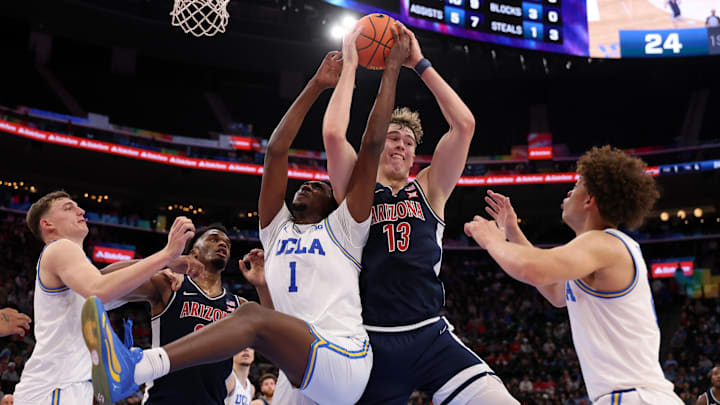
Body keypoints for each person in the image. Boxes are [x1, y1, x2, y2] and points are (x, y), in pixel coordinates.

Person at [82, 25, 410, 405]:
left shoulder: (347, 227)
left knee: (251, 319)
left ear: (334, 203)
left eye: (318, 186)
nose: (307, 184)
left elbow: (370, 145)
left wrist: (392, 70)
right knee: (255, 320)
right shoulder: (275, 231)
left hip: (343, 357)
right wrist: (316, 85)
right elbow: (275, 151)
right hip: (300, 368)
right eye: (305, 183)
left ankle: (137, 368)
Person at [322, 24, 518, 405]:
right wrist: (350, 65)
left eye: (409, 142)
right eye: (393, 137)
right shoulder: (357, 184)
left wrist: (419, 63)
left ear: (415, 154)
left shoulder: (429, 187)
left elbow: (464, 125)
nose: (401, 145)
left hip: (431, 335)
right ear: (380, 145)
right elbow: (333, 134)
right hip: (369, 338)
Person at [464, 145, 683, 405]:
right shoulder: (601, 250)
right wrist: (513, 231)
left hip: (633, 397)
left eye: (577, 183)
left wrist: (491, 240)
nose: (569, 190)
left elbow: (533, 269)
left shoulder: (603, 244)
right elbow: (555, 291)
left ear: (590, 199)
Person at [12, 191, 199, 405]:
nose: (80, 211)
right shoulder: (60, 247)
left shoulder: (72, 267)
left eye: (77, 207)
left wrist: (164, 264)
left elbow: (106, 277)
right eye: (68, 208)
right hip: (56, 387)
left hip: (63, 387)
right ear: (47, 224)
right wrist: (167, 254)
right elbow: (99, 288)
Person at [106, 224, 246, 405]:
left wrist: (263, 287)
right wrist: (166, 260)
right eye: (213, 239)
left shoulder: (239, 305)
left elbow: (275, 339)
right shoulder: (171, 285)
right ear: (194, 252)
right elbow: (103, 279)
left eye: (227, 243)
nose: (223, 244)